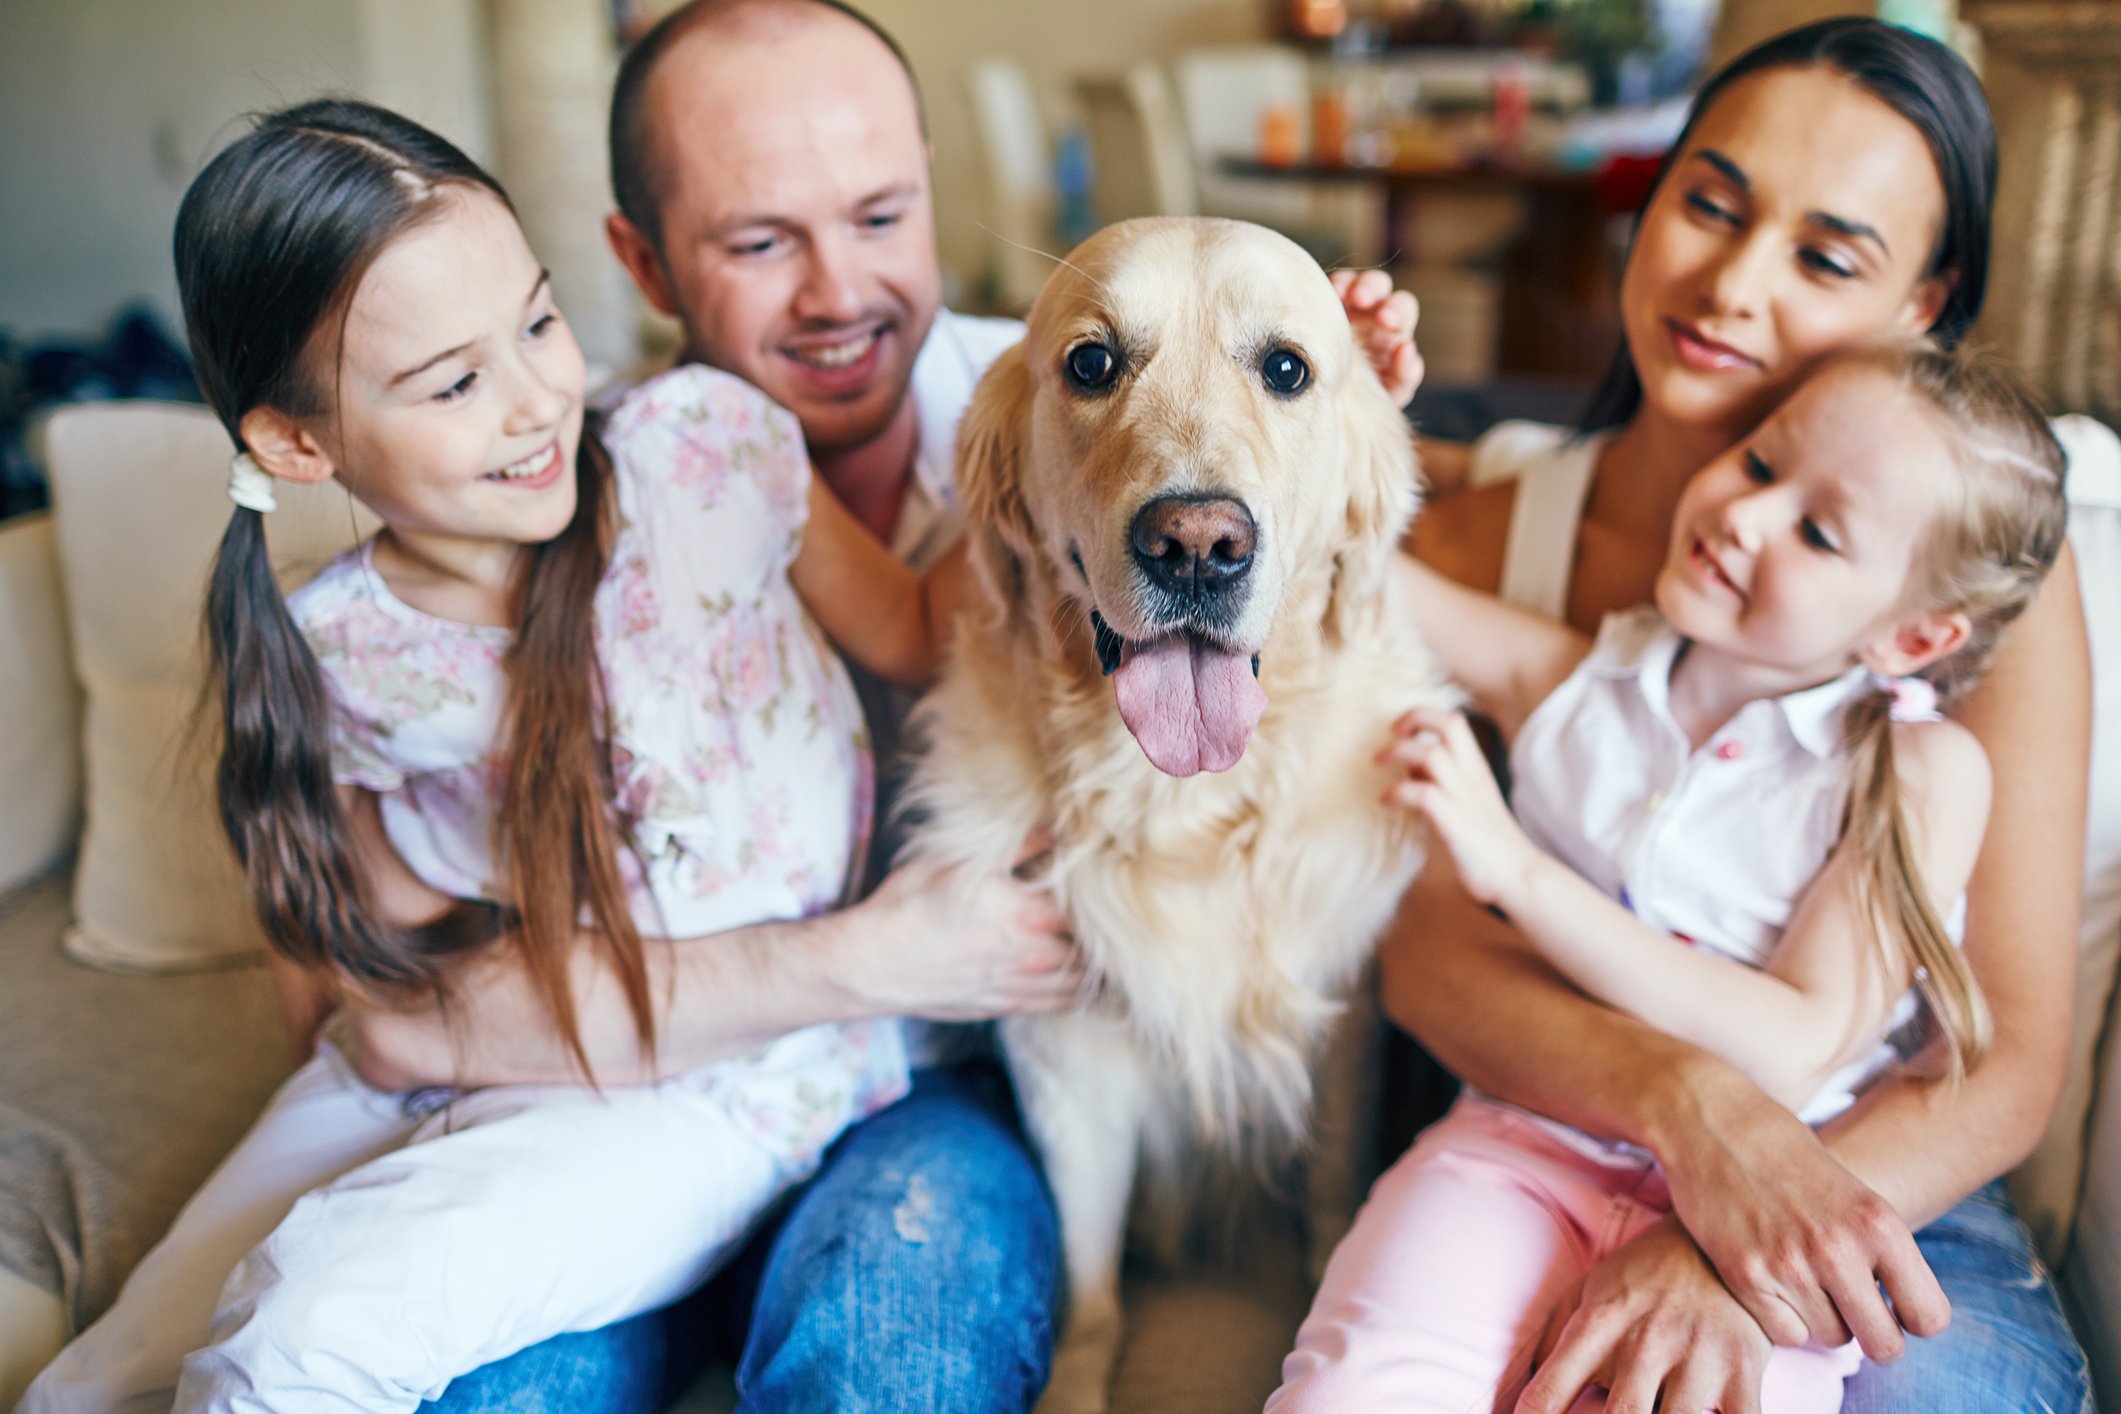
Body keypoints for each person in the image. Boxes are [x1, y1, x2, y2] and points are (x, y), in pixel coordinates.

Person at [332, 2, 1427, 1409]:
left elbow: (1359, 548)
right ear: (642, 260)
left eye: (879, 213)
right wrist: (867, 959)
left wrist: (1336, 414)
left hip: (924, 1107)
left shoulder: (1050, 377)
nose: (838, 290)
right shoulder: (534, 498)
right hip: (608, 1106)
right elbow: (381, 1002)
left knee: (884, 1368)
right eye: (757, 239)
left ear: (930, 189)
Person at [22, 97, 1059, 1412]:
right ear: (297, 441)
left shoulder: (703, 448)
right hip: (497, 1043)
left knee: (304, 1336)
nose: (533, 404)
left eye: (537, 322)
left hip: (737, 1073)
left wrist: (1066, 450)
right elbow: (368, 964)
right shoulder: (336, 645)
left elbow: (917, 628)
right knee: (112, 1371)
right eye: (454, 382)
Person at [1393, 18, 2096, 1413]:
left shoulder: (1980, 580)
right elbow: (1429, 957)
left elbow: (2007, 1056)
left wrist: (1726, 1242)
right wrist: (1692, 1119)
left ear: (1922, 304)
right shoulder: (1488, 541)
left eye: (1825, 256)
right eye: (1707, 203)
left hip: (1884, 1167)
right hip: (1548, 1131)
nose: (1729, 280)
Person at [1271, 342, 2069, 1410]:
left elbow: (1791, 1043)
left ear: (1914, 633)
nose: (1747, 514)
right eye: (1757, 463)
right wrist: (1328, 382)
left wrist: (1512, 867)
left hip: (1769, 1224)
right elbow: (1360, 576)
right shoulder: (1582, 674)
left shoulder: (1917, 770)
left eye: (1818, 531)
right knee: (1358, 1387)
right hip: (1520, 1146)